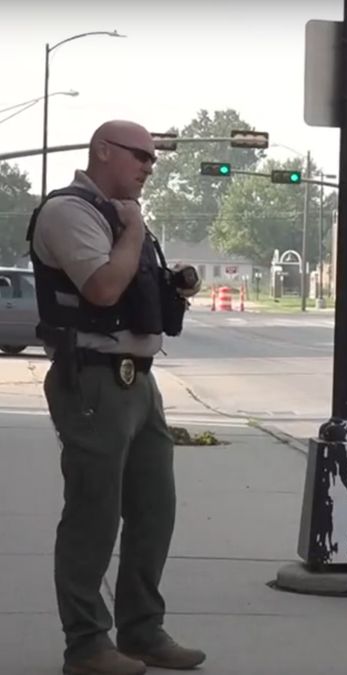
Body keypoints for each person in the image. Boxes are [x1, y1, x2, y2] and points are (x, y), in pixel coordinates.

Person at [27, 120, 205, 675]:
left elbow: (130, 288)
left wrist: (169, 283)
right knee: (93, 513)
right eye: (141, 157)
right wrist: (131, 234)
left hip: (137, 379)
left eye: (152, 160)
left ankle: (141, 631)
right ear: (103, 150)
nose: (149, 167)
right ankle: (86, 644)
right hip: (94, 378)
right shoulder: (69, 211)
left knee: (154, 508)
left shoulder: (126, 216)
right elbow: (102, 287)